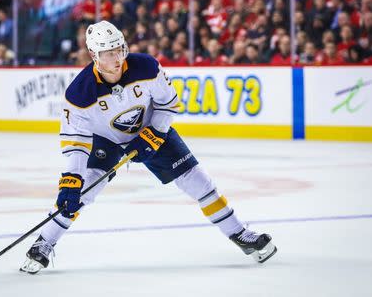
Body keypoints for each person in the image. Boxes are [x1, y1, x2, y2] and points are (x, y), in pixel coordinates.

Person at [20, 21, 277, 274]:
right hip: (104, 140)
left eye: (119, 49)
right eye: (108, 53)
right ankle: (44, 242)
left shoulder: (146, 66)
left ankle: (240, 234)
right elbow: (76, 141)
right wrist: (72, 178)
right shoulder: (79, 92)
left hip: (149, 128)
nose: (117, 58)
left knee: (198, 181)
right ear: (93, 55)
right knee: (82, 191)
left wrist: (155, 133)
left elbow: (168, 104)